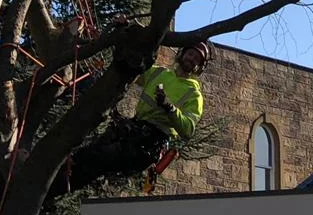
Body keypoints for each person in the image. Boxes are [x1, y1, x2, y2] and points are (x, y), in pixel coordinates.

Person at [65, 41, 211, 191]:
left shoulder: (193, 94)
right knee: (87, 154)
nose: (192, 59)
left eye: (197, 59)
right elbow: (131, 69)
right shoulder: (158, 73)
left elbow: (187, 129)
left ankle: (66, 180)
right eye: (191, 54)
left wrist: (169, 107)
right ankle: (64, 179)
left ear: (199, 67)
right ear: (183, 53)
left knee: (102, 157)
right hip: (134, 128)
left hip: (150, 142)